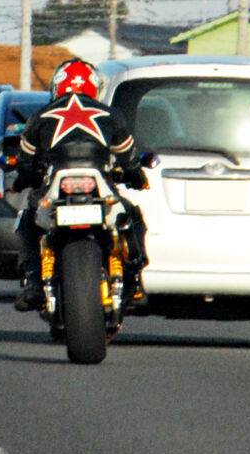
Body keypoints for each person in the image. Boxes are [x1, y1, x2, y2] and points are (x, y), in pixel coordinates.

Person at [12, 58, 149, 312]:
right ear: (94, 88)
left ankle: (33, 283)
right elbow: (128, 158)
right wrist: (137, 177)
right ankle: (134, 277)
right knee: (131, 215)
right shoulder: (109, 114)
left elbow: (25, 163)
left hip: (56, 183)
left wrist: (22, 180)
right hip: (100, 182)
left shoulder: (40, 116)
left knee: (28, 218)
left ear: (57, 87)